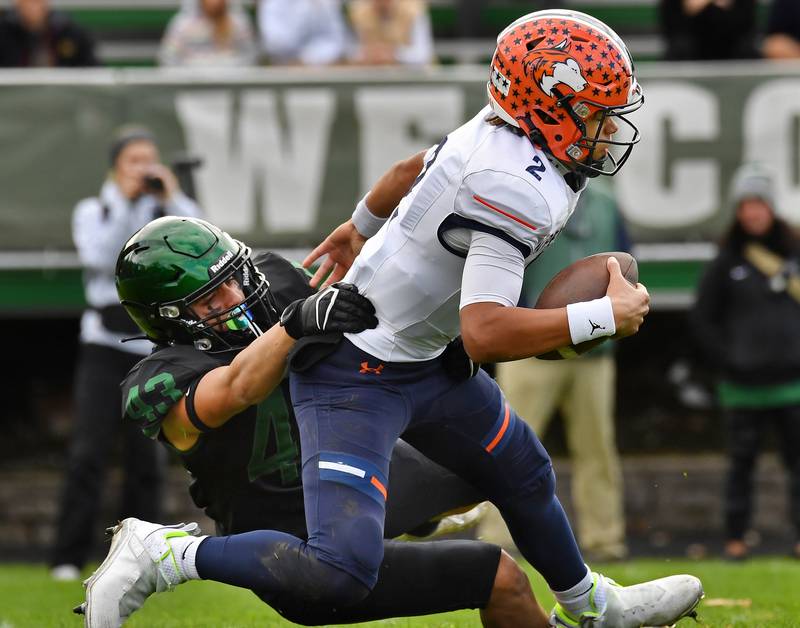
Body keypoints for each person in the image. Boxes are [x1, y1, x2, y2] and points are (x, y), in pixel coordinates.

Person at [80, 10, 704, 628]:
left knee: (521, 468)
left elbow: (415, 170)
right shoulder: (510, 183)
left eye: (233, 278)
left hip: (417, 359)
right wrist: (601, 316)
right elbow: (483, 332)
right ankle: (171, 555)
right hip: (344, 405)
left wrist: (361, 225)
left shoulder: (495, 132)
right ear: (547, 104)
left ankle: (591, 606)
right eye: (594, 111)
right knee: (342, 569)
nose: (606, 127)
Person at [78, 214, 548, 628]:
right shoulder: (161, 377)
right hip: (295, 549)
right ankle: (167, 554)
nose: (234, 294)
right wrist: (294, 326)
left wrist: (440, 341)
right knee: (502, 578)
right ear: (169, 319)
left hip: (357, 473)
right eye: (210, 300)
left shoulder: (275, 284)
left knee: (497, 464)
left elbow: (368, 310)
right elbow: (239, 386)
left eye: (231, 277)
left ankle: (584, 595)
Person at [50, 127, 201, 581]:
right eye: (134, 160)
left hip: (150, 346)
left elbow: (201, 240)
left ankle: (144, 557)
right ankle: (66, 556)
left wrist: (170, 197)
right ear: (115, 167)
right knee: (87, 452)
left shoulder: (163, 209)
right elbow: (102, 256)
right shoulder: (94, 210)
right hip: (101, 343)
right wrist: (130, 203)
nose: (143, 169)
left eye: (149, 160)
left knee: (147, 458)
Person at [492, 182, 630, 562]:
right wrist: (517, 322)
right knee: (505, 444)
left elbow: (626, 267)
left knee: (597, 448)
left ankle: (605, 540)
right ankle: (499, 539)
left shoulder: (606, 203)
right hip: (530, 347)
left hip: (594, 351)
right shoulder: (524, 191)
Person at [689, 163, 800, 561]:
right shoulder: (726, 261)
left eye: (759, 204)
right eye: (746, 205)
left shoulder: (793, 254)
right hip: (742, 387)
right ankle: (736, 539)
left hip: (793, 384)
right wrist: (729, 360)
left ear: (771, 208)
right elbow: (702, 318)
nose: (753, 213)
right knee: (741, 466)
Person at [158, 0, 258, 67]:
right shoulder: (182, 24)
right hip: (192, 90)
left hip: (230, 89)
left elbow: (250, 55)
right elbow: (168, 56)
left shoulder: (239, 24)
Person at [0, 0, 97, 67]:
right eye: (27, 1)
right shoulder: (4, 33)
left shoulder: (69, 32)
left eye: (37, 1)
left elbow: (93, 69)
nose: (32, 6)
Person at [659, 0, 759, 61]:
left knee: (747, 51)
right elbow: (672, 29)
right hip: (689, 50)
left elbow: (746, 27)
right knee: (680, 48)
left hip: (731, 48)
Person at [257, 0, 348, 66]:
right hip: (283, 71)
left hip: (322, 70)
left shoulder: (325, 3)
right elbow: (277, 43)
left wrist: (309, 61)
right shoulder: (271, 4)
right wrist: (308, 10)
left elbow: (337, 40)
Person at [348, 0, 434, 67]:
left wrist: (394, 54)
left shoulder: (415, 9)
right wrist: (369, 54)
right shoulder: (358, 11)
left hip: (413, 81)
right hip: (371, 79)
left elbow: (423, 54)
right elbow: (351, 52)